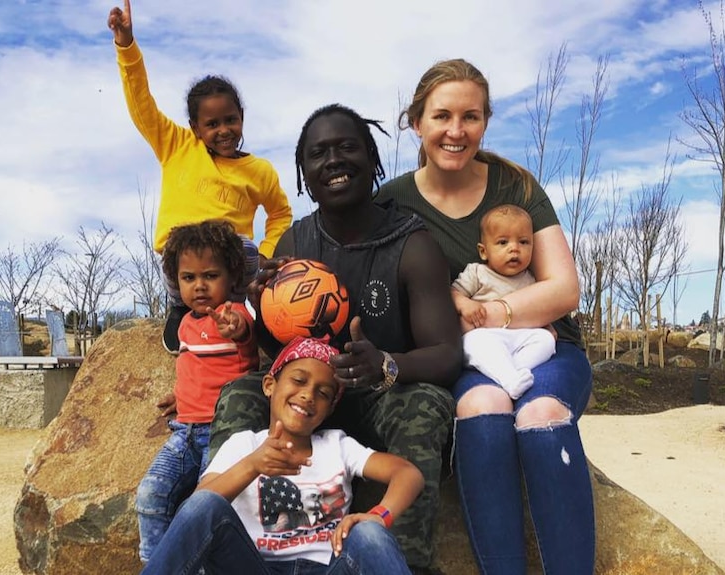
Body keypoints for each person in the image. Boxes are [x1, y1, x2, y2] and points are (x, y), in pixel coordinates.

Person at [208, 104, 463, 575]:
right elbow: (281, 354)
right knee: (241, 393)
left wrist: (386, 364)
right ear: (304, 173)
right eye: (317, 153)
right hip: (311, 400)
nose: (333, 161)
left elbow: (448, 353)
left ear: (371, 156)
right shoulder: (293, 246)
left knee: (425, 403)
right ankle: (232, 555)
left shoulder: (412, 243)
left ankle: (403, 563)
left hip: (377, 399)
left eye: (347, 147)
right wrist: (259, 308)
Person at [375, 59, 595, 574]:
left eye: (470, 117)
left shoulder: (516, 188)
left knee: (541, 414)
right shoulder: (392, 202)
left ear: (486, 121)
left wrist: (495, 311)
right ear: (417, 123)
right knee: (481, 405)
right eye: (442, 116)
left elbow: (565, 289)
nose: (456, 131)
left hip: (549, 345)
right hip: (472, 359)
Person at [140, 336, 423, 574]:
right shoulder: (245, 444)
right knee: (204, 504)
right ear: (269, 385)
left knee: (369, 534)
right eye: (298, 380)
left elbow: (407, 474)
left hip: (327, 568)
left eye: (323, 393)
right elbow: (201, 506)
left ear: (329, 409)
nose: (308, 395)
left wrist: (380, 515)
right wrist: (253, 465)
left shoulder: (338, 445)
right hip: (252, 565)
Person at [108, 0, 292, 354]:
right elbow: (141, 103)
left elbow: (281, 214)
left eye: (230, 120)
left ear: (242, 117)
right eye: (212, 124)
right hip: (183, 264)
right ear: (195, 127)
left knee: (241, 248)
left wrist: (268, 252)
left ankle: (242, 316)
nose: (224, 130)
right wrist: (126, 46)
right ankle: (183, 309)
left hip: (232, 266)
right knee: (184, 249)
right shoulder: (176, 145)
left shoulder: (259, 171)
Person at [134, 219, 259, 563]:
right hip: (184, 432)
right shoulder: (187, 323)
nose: (199, 286)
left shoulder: (234, 316)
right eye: (189, 278)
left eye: (210, 275)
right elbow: (197, 369)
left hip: (222, 435)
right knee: (150, 494)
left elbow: (245, 341)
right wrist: (181, 396)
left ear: (232, 277)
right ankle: (157, 564)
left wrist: (235, 328)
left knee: (206, 507)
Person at [452, 204, 556, 400]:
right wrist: (464, 304)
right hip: (486, 336)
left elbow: (538, 309)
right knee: (473, 342)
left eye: (524, 242)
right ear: (484, 251)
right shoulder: (477, 272)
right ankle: (509, 377)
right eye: (502, 242)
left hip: (518, 339)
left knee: (546, 341)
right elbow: (452, 293)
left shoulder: (530, 279)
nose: (514, 249)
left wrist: (547, 326)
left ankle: (507, 375)